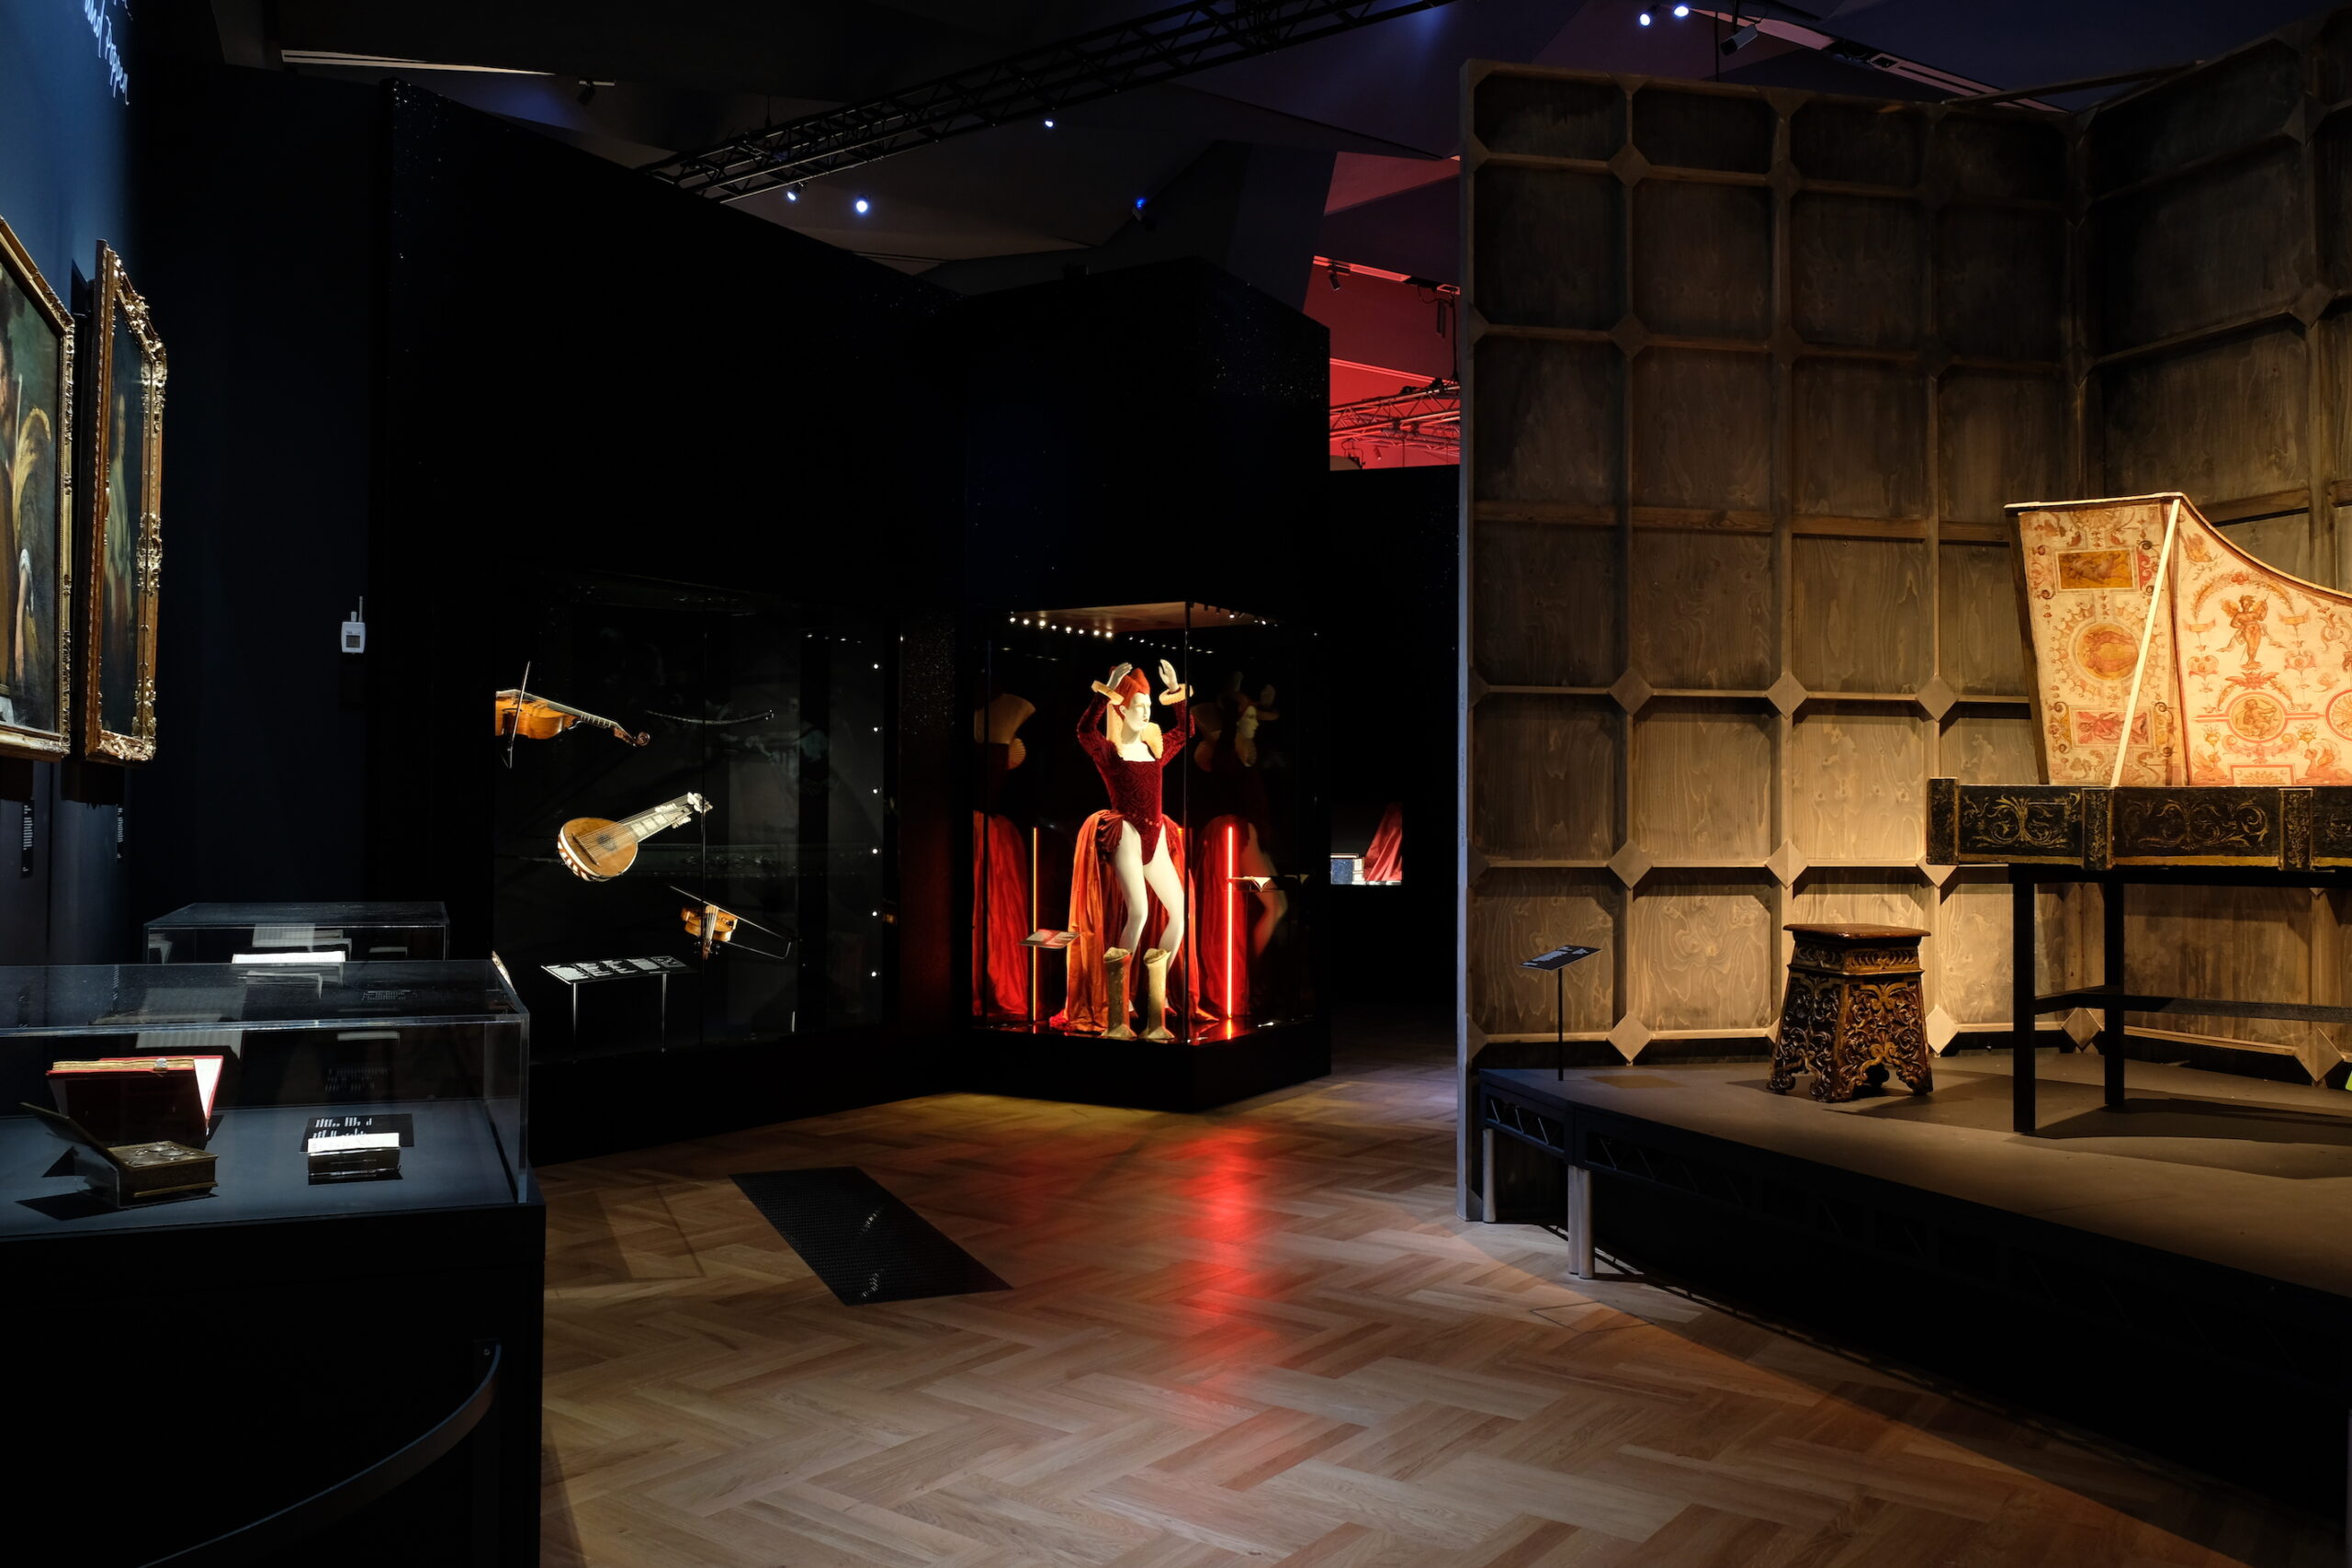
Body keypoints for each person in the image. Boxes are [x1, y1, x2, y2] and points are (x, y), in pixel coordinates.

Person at [1071, 659, 1190, 1041]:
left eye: (1149, 707)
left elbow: (1185, 729)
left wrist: (1174, 692)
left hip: (1155, 836)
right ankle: (1119, 1002)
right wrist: (1106, 689)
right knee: (1137, 913)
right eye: (1139, 706)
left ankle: (1154, 995)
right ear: (1123, 708)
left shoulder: (1155, 750)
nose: (1146, 712)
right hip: (1126, 834)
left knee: (1179, 913)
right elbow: (1084, 729)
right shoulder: (1110, 752)